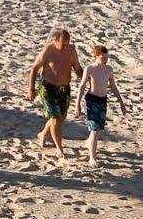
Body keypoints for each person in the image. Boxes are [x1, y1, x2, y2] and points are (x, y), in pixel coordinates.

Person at [27, 28, 84, 158]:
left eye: (67, 43)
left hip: (64, 88)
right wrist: (31, 89)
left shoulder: (71, 51)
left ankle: (43, 134)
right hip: (47, 87)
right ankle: (59, 148)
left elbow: (78, 69)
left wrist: (87, 79)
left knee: (60, 118)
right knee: (56, 118)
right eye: (63, 43)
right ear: (56, 40)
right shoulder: (48, 50)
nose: (65, 46)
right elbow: (34, 68)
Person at [75, 43, 127, 165]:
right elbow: (82, 86)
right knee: (94, 130)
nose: (105, 60)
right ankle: (92, 158)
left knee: (100, 129)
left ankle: (89, 142)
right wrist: (77, 104)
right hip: (91, 100)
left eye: (107, 57)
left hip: (102, 101)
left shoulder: (109, 69)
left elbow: (113, 87)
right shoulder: (90, 69)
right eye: (103, 57)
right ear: (96, 56)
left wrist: (121, 103)